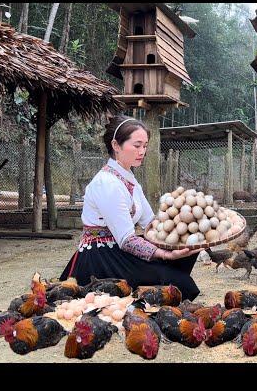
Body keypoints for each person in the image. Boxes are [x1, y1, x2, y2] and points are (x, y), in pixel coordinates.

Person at [60, 115, 202, 300]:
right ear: (116, 145)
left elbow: (151, 223)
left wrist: (184, 229)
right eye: (137, 145)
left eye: (145, 146)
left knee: (187, 253)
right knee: (181, 283)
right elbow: (127, 240)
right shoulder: (107, 183)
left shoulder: (129, 179)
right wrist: (164, 255)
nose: (142, 151)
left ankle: (161, 296)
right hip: (102, 256)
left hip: (118, 251)